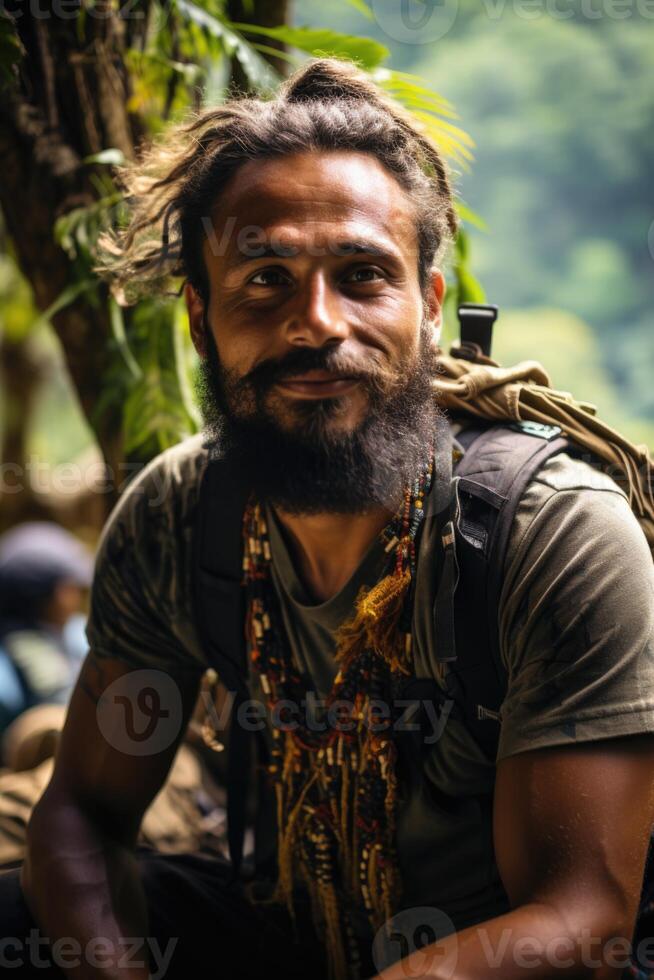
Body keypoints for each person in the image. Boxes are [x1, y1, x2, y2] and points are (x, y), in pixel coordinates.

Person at [2, 58, 653, 980]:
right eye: (265, 278)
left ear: (428, 307)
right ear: (200, 317)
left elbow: (586, 919)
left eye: (362, 275)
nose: (316, 323)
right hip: (295, 932)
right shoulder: (178, 519)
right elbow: (81, 814)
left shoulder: (547, 537)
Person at [0, 522, 92, 740]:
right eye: (69, 586)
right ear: (49, 596)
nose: (77, 595)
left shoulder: (77, 632)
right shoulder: (11, 672)